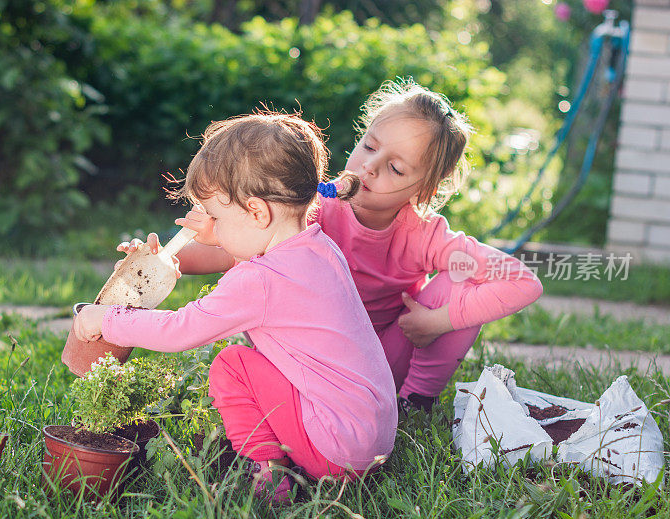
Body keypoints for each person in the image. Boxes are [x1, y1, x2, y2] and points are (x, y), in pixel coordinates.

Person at [159, 80, 543, 413]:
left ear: (425, 189)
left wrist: (435, 322)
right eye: (369, 145)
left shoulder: (425, 234)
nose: (370, 167)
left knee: (461, 279)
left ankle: (414, 402)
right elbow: (230, 251)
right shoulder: (312, 211)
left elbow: (522, 281)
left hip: (380, 366)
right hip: (307, 366)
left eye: (396, 168)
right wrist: (163, 260)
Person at [74, 112, 397, 505]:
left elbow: (181, 330)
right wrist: (212, 238)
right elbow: (253, 259)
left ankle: (269, 477)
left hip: (336, 451)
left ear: (257, 212)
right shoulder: (318, 249)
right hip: (371, 436)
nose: (211, 227)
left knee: (234, 365)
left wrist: (106, 319)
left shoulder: (260, 280)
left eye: (217, 217)